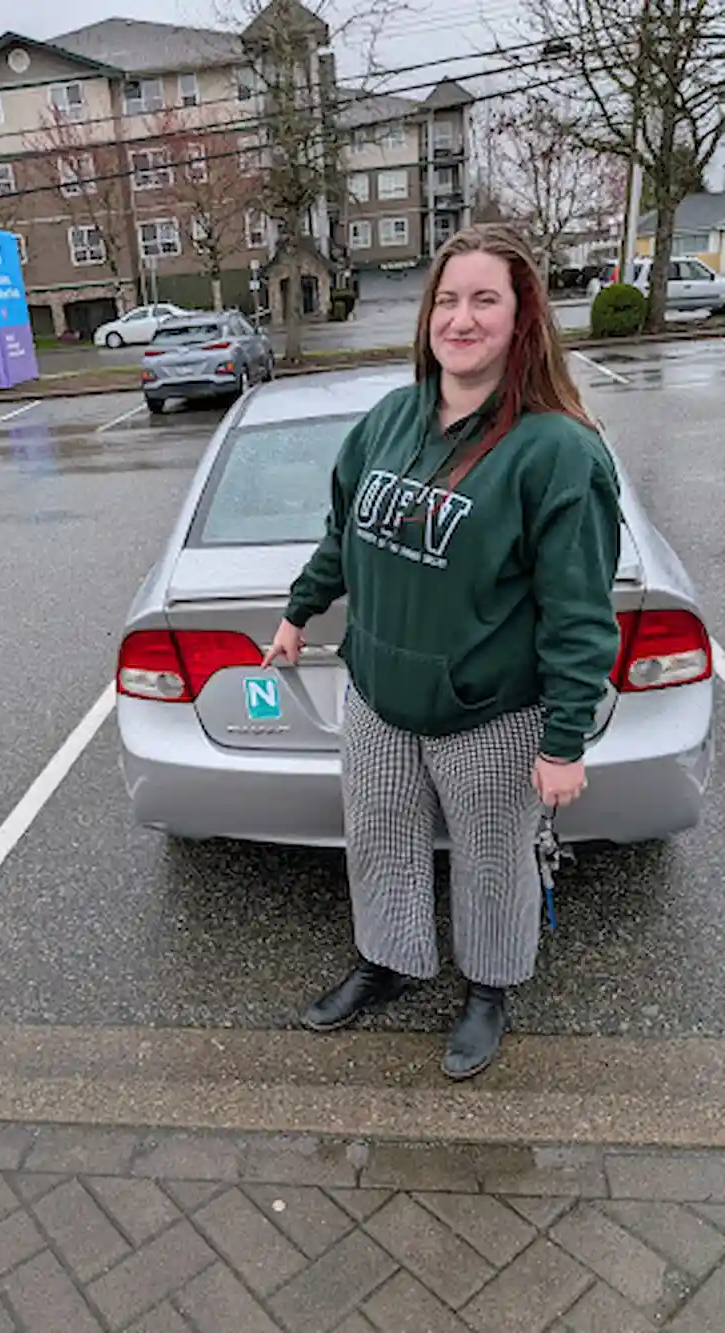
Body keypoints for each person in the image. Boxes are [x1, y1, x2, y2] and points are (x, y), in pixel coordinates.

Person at [263, 224, 621, 1080]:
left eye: (484, 299)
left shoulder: (558, 450)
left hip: (490, 712)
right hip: (381, 697)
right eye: (448, 300)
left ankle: (489, 990)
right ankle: (388, 962)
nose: (461, 319)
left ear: (522, 317)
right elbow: (344, 531)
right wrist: (299, 611)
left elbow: (578, 610)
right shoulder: (394, 419)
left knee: (494, 859)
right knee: (379, 839)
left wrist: (566, 738)